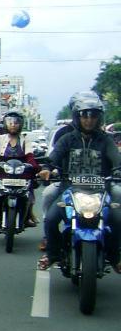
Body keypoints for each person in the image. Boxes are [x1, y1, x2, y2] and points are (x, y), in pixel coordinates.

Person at [37, 96, 121, 271]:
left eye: (93, 116)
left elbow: (116, 159)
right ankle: (53, 254)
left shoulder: (105, 140)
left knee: (118, 219)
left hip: (101, 191)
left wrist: (118, 169)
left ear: (99, 118)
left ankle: (114, 257)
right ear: (77, 117)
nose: (89, 120)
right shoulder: (67, 139)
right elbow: (54, 157)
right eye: (85, 116)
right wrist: (46, 168)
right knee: (51, 220)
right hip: (70, 189)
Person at [0, 111, 40, 226]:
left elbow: (29, 156)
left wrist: (35, 166)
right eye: (10, 122)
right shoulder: (0, 138)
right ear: (5, 124)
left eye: (16, 122)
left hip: (21, 172)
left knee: (30, 187)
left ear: (20, 124)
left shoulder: (25, 139)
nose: (13, 125)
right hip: (3, 171)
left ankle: (29, 213)